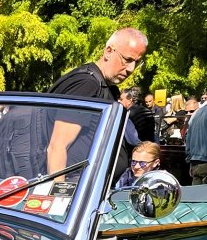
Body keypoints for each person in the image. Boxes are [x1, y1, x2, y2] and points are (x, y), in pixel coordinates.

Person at [46, 28, 148, 174]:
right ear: (108, 51)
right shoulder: (86, 85)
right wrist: (59, 192)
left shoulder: (104, 86)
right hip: (76, 187)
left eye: (136, 63)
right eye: (127, 60)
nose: (131, 69)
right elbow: (57, 147)